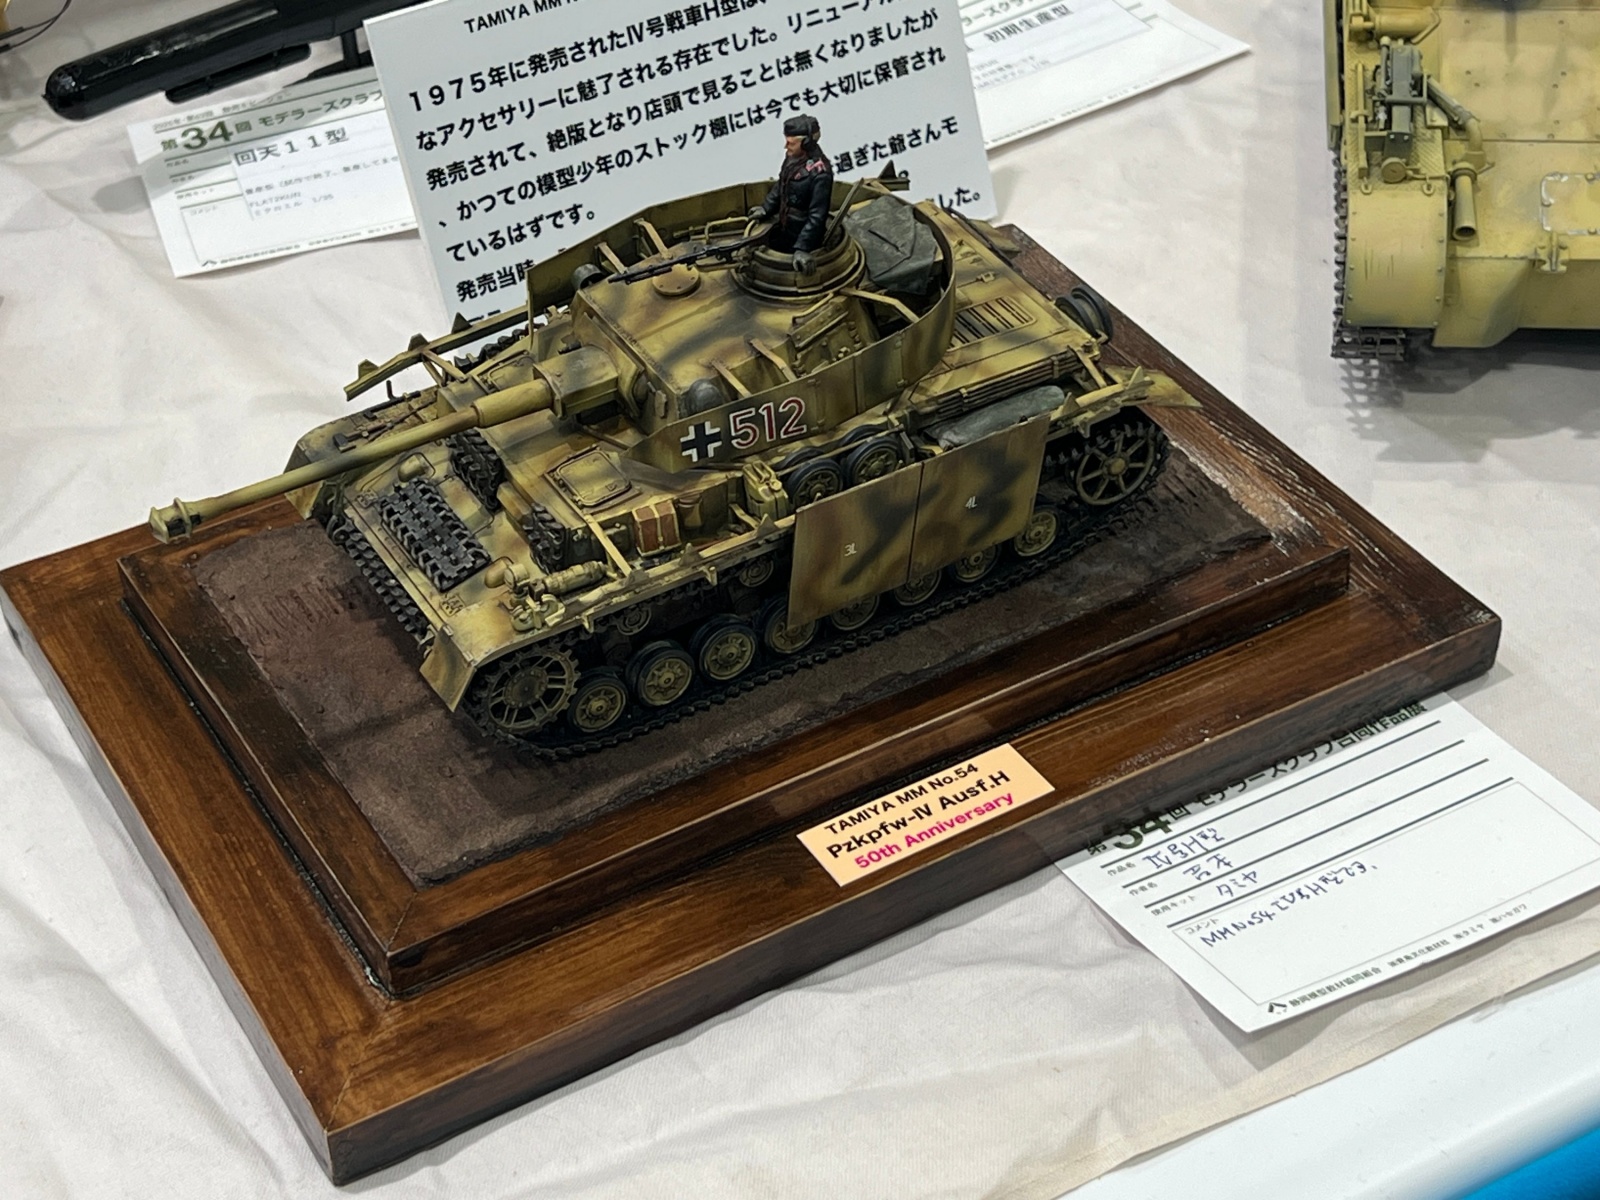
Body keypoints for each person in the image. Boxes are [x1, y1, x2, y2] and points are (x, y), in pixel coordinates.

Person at [754, 114, 833, 274]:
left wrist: (803, 248)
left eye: (791, 143)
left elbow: (817, 216)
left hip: (802, 231)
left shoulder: (820, 173)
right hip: (785, 225)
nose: (786, 146)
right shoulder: (792, 159)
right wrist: (766, 208)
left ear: (806, 143)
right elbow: (781, 184)